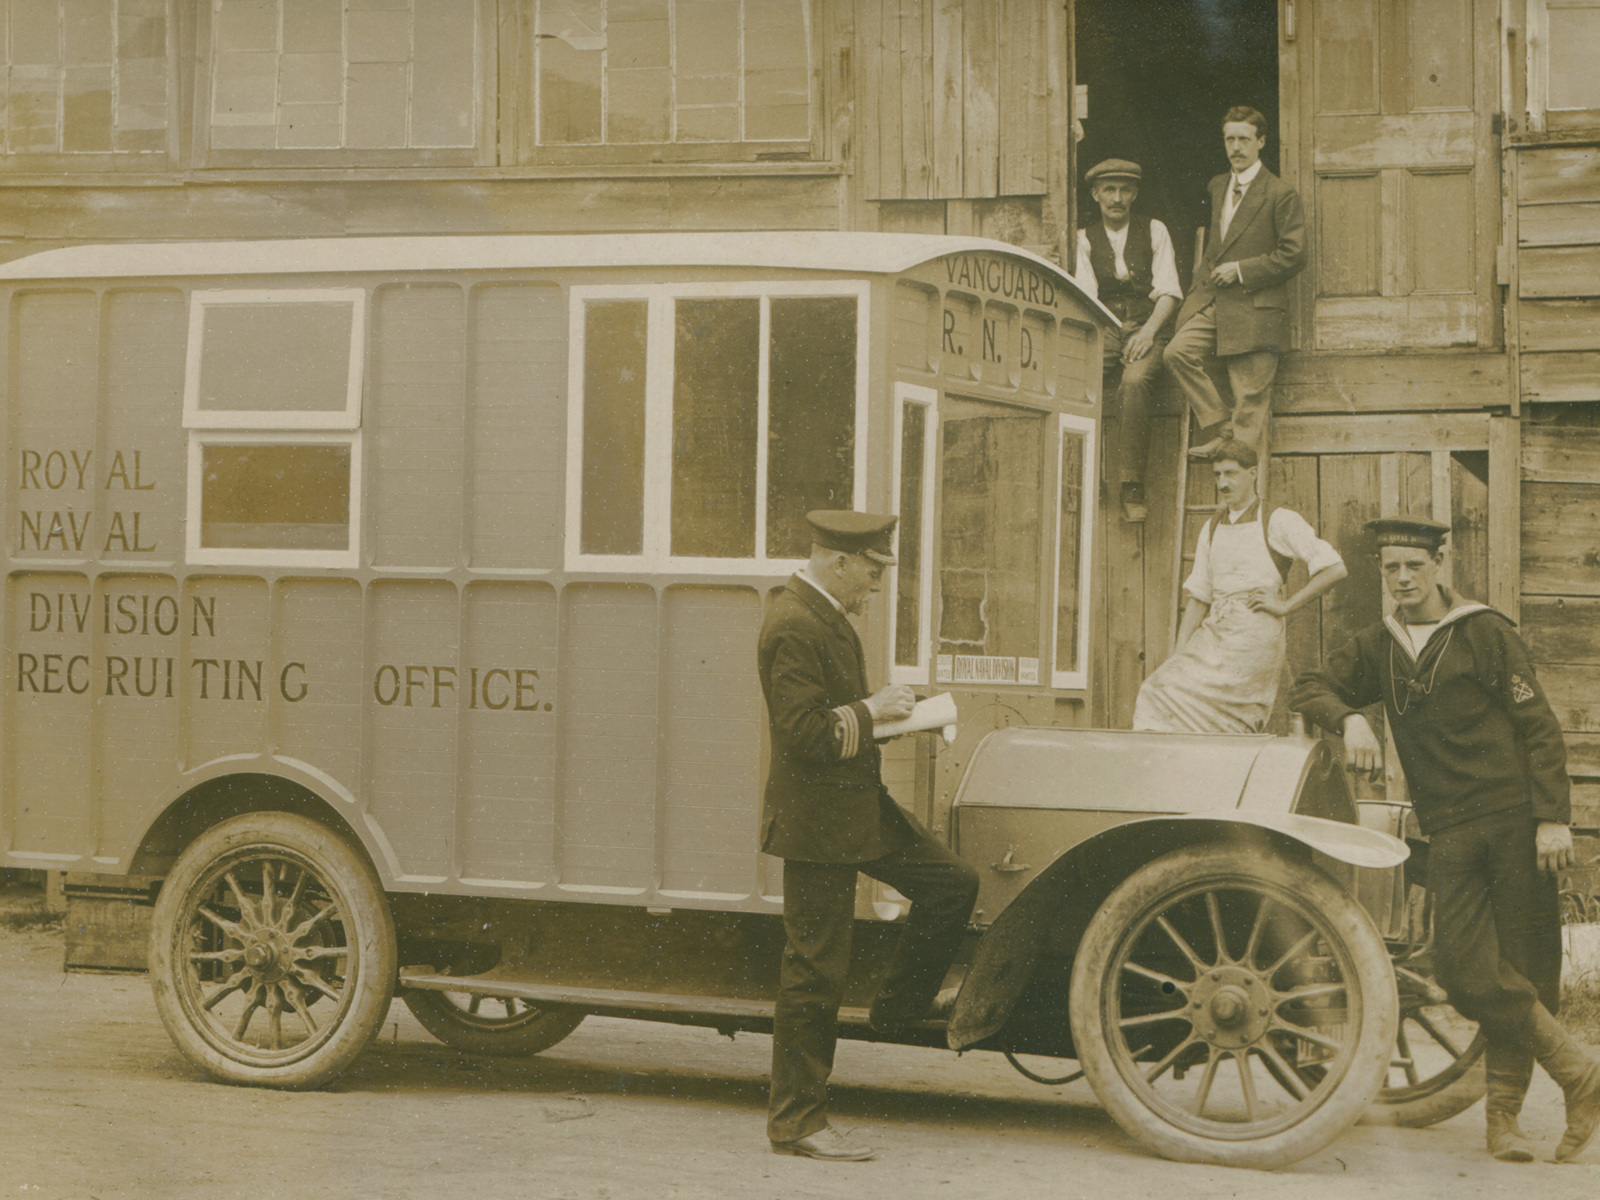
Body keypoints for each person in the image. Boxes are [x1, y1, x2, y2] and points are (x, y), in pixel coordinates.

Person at [1292, 518, 1600, 1164]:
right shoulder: (1379, 645)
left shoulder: (1485, 632)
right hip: (1453, 830)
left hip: (1517, 821)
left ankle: (1504, 1123)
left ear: (1439, 564)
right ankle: (1580, 1072)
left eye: (1413, 566)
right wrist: (1350, 719)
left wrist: (1552, 819)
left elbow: (1540, 729)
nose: (1402, 579)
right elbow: (1309, 685)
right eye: (1390, 569)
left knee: (1520, 966)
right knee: (1464, 967)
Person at [758, 510, 979, 1163]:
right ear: (839, 562)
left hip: (856, 806)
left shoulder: (822, 615)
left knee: (952, 884)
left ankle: (899, 1010)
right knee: (815, 970)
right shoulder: (793, 623)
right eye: (874, 572)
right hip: (819, 823)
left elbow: (832, 723)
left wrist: (888, 712)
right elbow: (803, 735)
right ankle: (796, 1122)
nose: (878, 586)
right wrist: (872, 710)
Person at [1132, 439, 1345, 733]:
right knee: (1158, 690)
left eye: (1231, 473)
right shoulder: (1212, 527)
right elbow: (1199, 597)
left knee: (1228, 724)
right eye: (1217, 475)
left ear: (1253, 474)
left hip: (1252, 640)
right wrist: (1179, 654)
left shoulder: (1278, 520)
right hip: (1215, 634)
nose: (1222, 483)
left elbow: (1334, 568)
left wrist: (1285, 606)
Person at [1162, 105, 1306, 464]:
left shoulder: (1279, 193)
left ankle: (1243, 500)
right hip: (1216, 304)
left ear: (1261, 142)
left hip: (1257, 308)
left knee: (1249, 401)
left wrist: (1241, 270)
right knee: (1176, 352)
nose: (1236, 147)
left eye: (1244, 139)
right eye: (1230, 139)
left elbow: (1293, 254)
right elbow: (1216, 247)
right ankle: (1220, 429)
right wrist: (1200, 290)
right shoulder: (1218, 186)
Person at [1071, 158, 1183, 522]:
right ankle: (1083, 477)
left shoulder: (1154, 230)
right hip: (1104, 324)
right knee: (1075, 377)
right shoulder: (1083, 239)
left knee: (1134, 382)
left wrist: (1148, 332)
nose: (1116, 198)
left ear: (1134, 194)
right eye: (1108, 190)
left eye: (1124, 190)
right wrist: (1107, 338)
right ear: (1095, 194)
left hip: (1148, 324)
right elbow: (1086, 296)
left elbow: (1168, 292)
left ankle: (1130, 485)